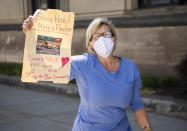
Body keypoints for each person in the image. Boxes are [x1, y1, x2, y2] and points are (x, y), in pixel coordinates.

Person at [22, 15, 153, 131]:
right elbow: (51, 64)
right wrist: (33, 33)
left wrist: (147, 128)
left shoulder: (130, 67)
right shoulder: (83, 64)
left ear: (114, 38)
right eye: (96, 36)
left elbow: (136, 103)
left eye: (106, 34)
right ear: (90, 44)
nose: (102, 39)